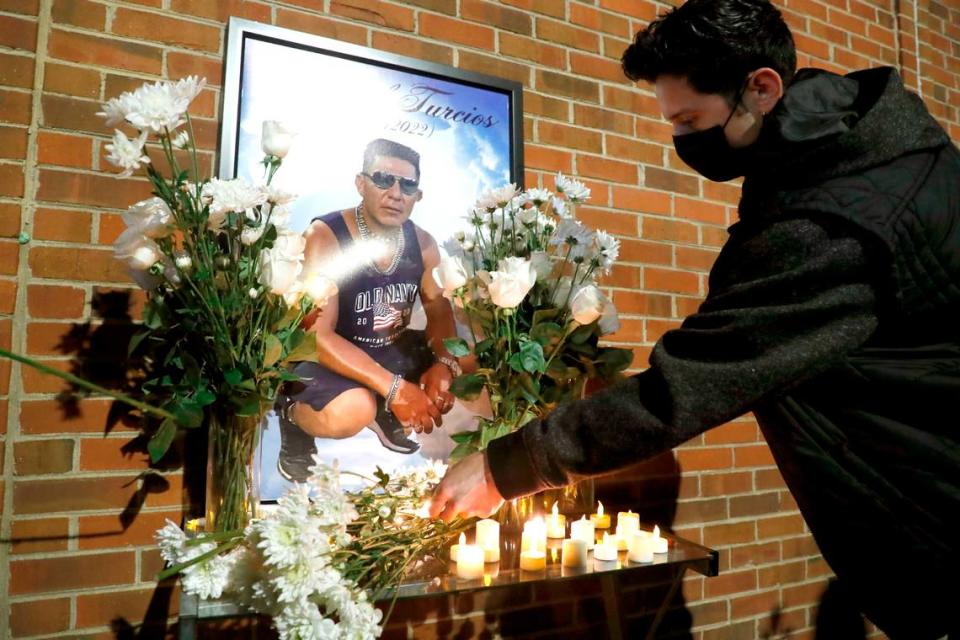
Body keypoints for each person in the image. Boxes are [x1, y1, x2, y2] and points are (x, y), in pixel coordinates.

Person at [429, 1, 959, 638]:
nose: (681, 140)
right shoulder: (860, 156)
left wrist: (505, 468)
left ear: (761, 88)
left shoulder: (835, 220)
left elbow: (694, 380)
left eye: (689, 119)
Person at [276, 138, 462, 482]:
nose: (396, 193)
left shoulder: (422, 242)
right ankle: (293, 417)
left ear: (417, 196)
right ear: (360, 183)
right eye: (383, 179)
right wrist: (396, 389)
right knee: (353, 410)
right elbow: (315, 336)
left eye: (407, 185)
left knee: (463, 363)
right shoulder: (326, 235)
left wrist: (443, 364)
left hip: (385, 349)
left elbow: (438, 308)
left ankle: (383, 404)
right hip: (327, 356)